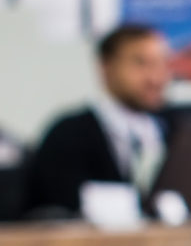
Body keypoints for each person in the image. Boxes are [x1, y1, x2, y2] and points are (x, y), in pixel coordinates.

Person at [26, 22, 173, 217]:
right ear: (106, 67)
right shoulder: (68, 134)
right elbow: (63, 211)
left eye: (161, 63)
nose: (155, 77)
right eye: (141, 63)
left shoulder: (169, 130)